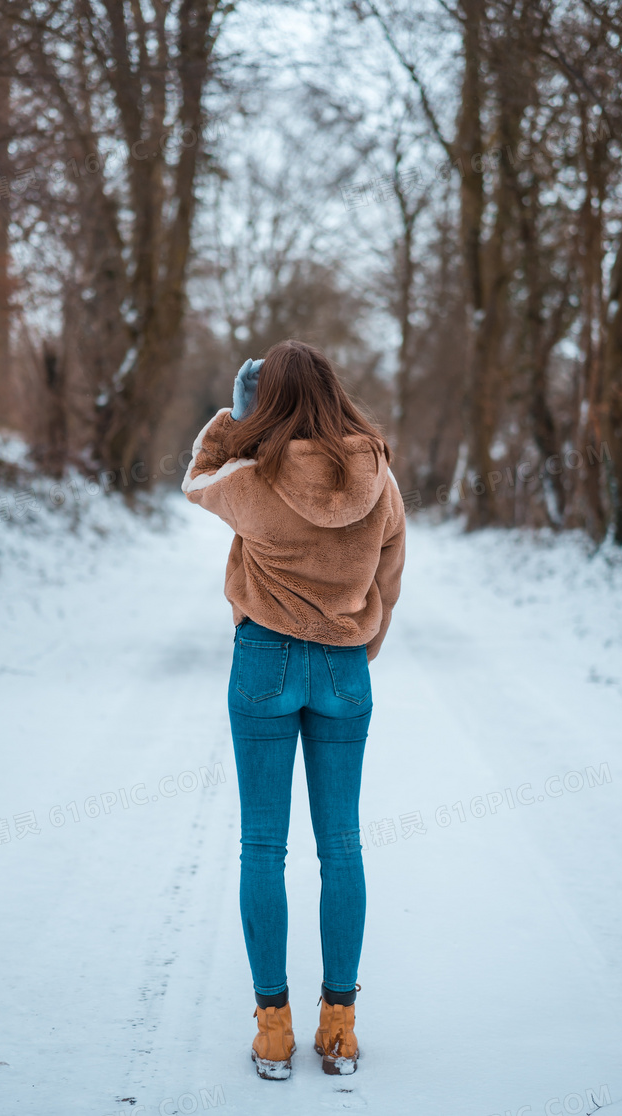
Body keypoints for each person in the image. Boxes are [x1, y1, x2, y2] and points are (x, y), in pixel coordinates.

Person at [181, 340, 406, 1079]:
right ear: (335, 392)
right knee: (341, 845)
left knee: (261, 848)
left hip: (265, 662)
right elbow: (392, 566)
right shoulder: (377, 473)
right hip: (343, 664)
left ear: (270, 400)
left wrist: (234, 420)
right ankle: (338, 1028)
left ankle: (273, 1031)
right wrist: (357, 649)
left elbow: (198, 480)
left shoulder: (256, 475)